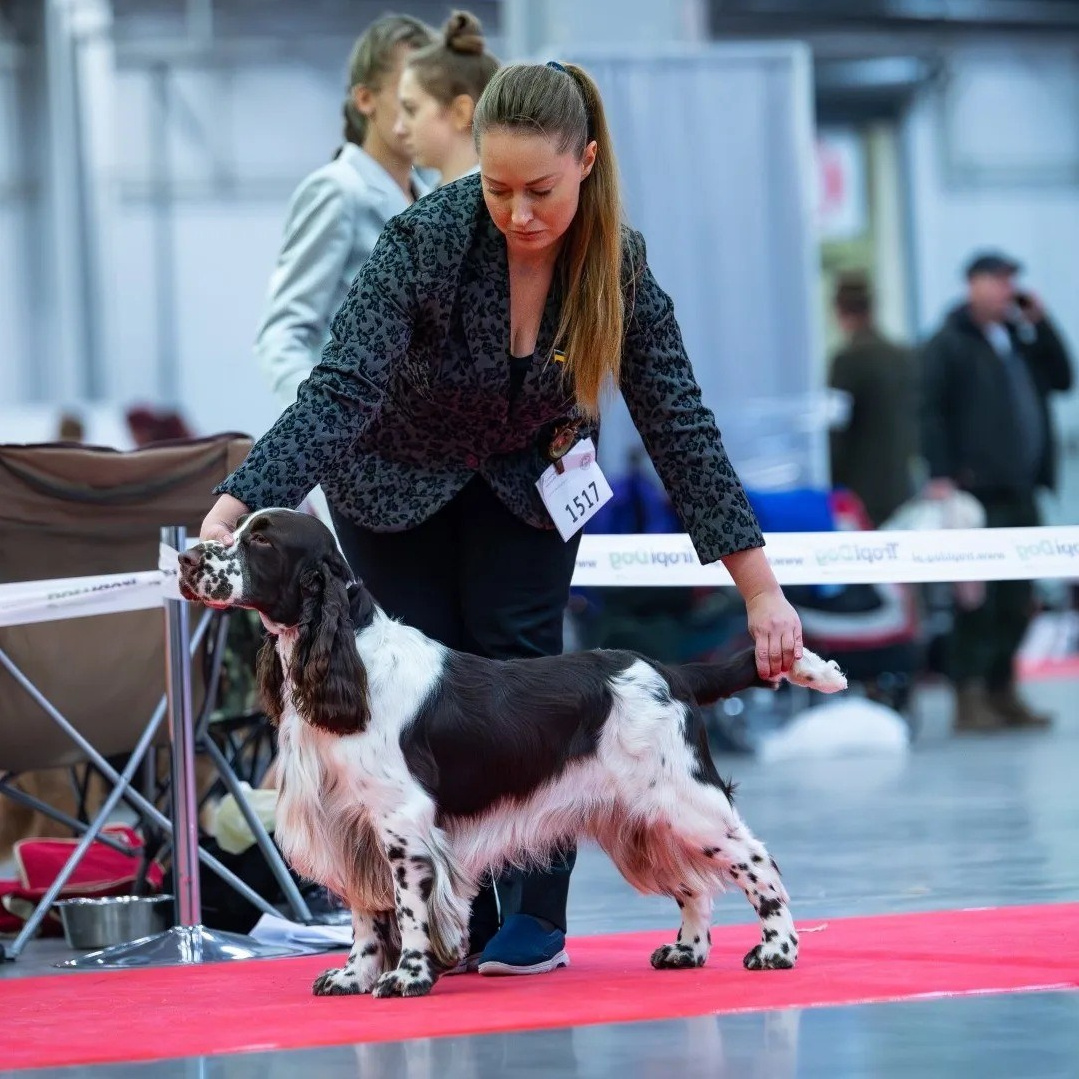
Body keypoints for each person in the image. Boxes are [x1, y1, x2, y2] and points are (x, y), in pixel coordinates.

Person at [201, 61, 803, 978]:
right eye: (496, 187)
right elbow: (340, 392)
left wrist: (759, 593)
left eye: (541, 190)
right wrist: (234, 507)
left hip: (529, 485)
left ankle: (533, 921)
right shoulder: (423, 243)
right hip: (394, 485)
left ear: (588, 163)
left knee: (532, 681)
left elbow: (679, 425)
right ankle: (424, 925)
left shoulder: (618, 267)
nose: (518, 212)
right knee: (408, 713)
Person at [921, 251, 1074, 732]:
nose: (1006, 290)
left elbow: (1064, 378)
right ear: (972, 285)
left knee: (1018, 596)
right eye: (997, 281)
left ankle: (1003, 690)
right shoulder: (947, 344)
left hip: (1023, 489)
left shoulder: (1017, 338)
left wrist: (1041, 323)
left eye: (1011, 281)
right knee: (977, 600)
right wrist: (941, 474)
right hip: (976, 494)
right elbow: (928, 412)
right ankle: (969, 698)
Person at [254, 14, 435, 412]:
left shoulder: (434, 202)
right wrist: (325, 423)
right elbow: (282, 334)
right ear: (365, 98)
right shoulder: (338, 190)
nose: (422, 108)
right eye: (407, 94)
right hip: (357, 451)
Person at [828, 273, 919, 527]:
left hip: (862, 491)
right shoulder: (904, 356)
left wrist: (834, 483)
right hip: (903, 484)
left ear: (839, 311)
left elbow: (837, 430)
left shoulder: (846, 360)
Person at [394, 10, 499, 187]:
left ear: (461, 112)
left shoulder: (485, 206)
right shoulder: (435, 195)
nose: (399, 128)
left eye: (411, 109)